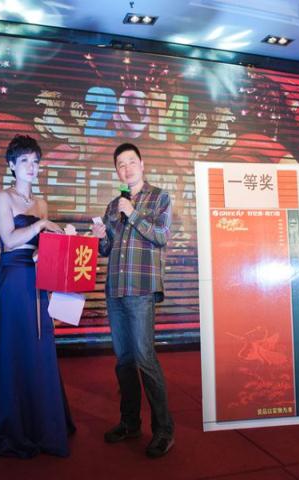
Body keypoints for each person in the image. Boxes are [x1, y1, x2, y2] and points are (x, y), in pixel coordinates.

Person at [0, 134, 75, 458]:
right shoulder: (4, 197)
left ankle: (41, 423)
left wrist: (64, 241)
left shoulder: (40, 202)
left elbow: (41, 247)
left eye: (35, 161)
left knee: (39, 345)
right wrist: (42, 224)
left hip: (37, 277)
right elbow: (9, 239)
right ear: (12, 166)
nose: (32, 167)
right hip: (13, 278)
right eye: (25, 161)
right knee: (12, 347)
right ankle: (9, 425)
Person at [91, 143, 174, 458]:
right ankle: (130, 423)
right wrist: (101, 237)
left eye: (130, 162)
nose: (126, 168)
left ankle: (164, 431)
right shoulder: (114, 205)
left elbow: (161, 236)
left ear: (142, 164)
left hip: (140, 289)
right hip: (115, 289)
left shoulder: (159, 197)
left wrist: (133, 213)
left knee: (144, 358)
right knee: (124, 361)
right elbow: (106, 249)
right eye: (120, 165)